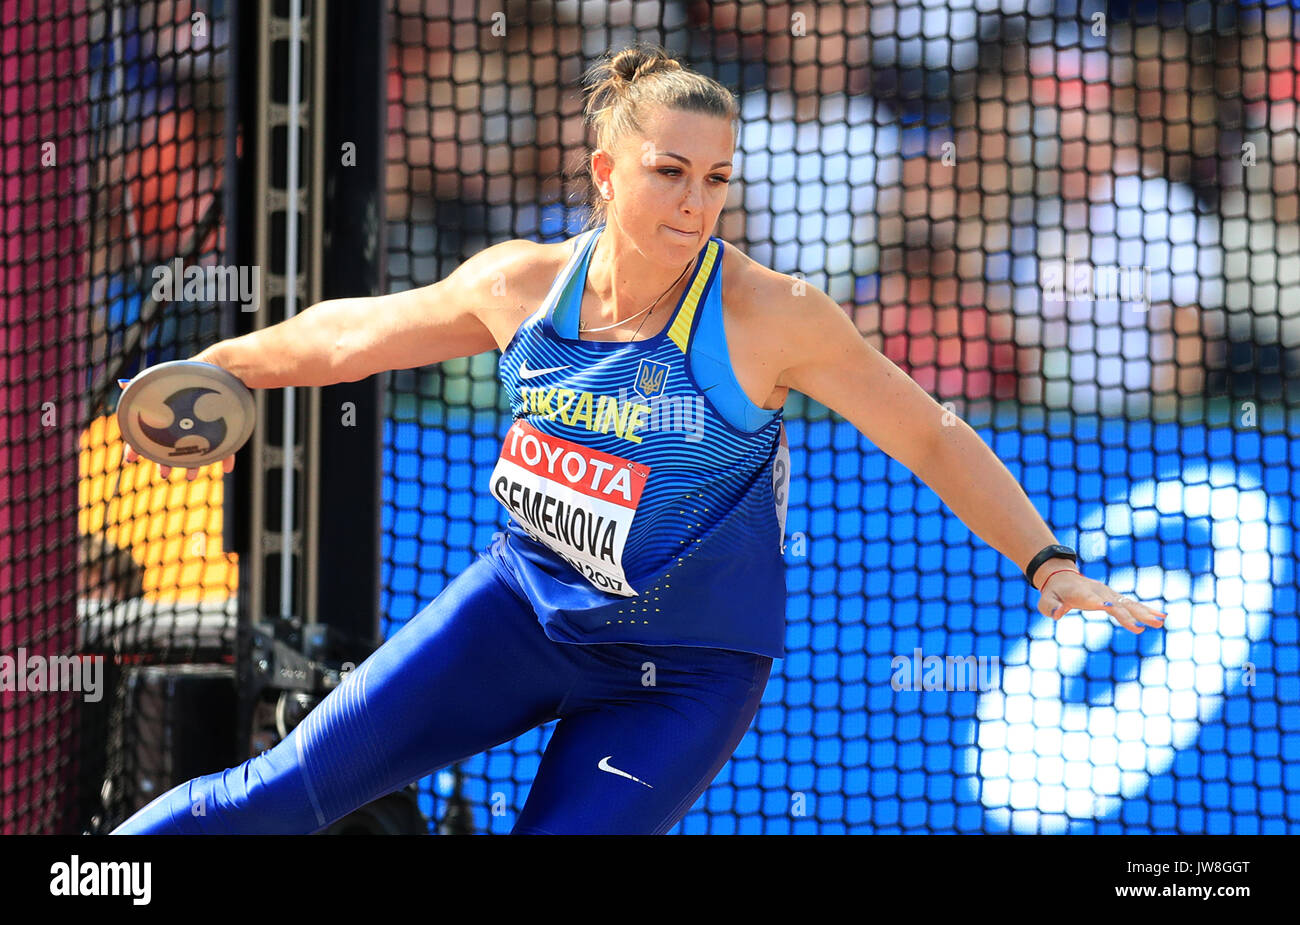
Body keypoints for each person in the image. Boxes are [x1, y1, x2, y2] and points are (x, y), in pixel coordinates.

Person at [111, 42, 1166, 835]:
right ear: (606, 174)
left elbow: (931, 436)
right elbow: (355, 333)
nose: (696, 199)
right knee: (270, 797)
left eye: (716, 178)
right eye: (670, 170)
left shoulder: (771, 315)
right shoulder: (521, 283)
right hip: (517, 609)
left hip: (686, 672)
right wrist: (228, 367)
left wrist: (1048, 559)